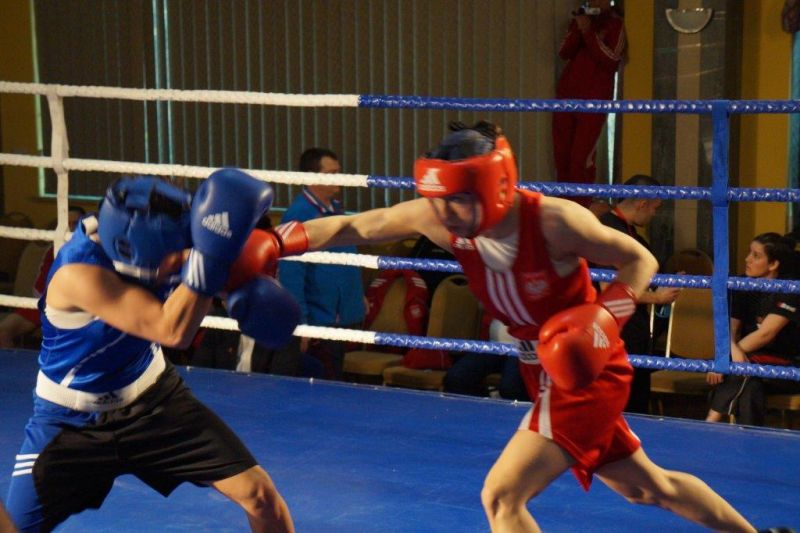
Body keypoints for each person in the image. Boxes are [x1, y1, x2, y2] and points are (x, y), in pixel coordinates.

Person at [244, 121, 758, 531]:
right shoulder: (440, 217)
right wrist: (279, 240)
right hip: (540, 368)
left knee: (501, 496)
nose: (444, 211)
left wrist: (604, 320)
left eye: (457, 199)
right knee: (647, 487)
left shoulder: (554, 221)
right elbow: (354, 225)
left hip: (586, 371)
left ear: (496, 186)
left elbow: (640, 259)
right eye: (438, 198)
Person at [5, 171, 299, 532]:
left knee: (259, 495)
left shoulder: (166, 235)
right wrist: (211, 259)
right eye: (170, 260)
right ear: (132, 253)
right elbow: (171, 330)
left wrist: (351, 226)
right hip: (70, 421)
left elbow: (305, 235)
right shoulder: (78, 273)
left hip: (155, 401)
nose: (178, 262)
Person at [276, 148, 365, 379]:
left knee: (337, 381)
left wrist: (358, 296)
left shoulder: (334, 209)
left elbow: (345, 260)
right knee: (324, 384)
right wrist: (301, 323)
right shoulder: (298, 215)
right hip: (321, 321)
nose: (339, 178)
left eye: (339, 172)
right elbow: (291, 275)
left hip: (340, 317)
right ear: (311, 176)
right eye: (331, 173)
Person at [595, 175, 681, 414]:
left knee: (636, 396)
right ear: (642, 203)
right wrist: (657, 298)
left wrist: (666, 282)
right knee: (625, 400)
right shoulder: (609, 230)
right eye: (654, 208)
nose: (654, 214)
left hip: (630, 327)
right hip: (617, 328)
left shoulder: (629, 232)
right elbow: (608, 287)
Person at [706, 232, 800, 426]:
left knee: (746, 368)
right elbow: (729, 329)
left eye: (756, 256)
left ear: (773, 264)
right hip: (750, 366)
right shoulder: (742, 284)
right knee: (751, 386)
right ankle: (747, 438)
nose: (747, 259)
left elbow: (765, 334)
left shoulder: (790, 289)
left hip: (787, 366)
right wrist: (726, 356)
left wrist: (726, 360)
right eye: (750, 253)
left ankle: (710, 422)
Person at [553, 0, 626, 207]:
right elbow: (564, 52)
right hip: (566, 98)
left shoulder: (615, 24)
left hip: (594, 101)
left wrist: (588, 32)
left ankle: (581, 207)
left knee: (581, 159)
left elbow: (612, 60)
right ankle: (563, 206)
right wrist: (580, 26)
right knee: (562, 156)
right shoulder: (580, 20)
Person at [0, 206, 86, 349]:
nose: (71, 228)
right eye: (67, 223)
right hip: (45, 305)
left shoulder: (94, 250)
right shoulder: (52, 251)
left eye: (75, 223)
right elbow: (39, 288)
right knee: (2, 331)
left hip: (81, 309)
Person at [443, 319, 529, 401]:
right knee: (456, 377)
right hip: (493, 346)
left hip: (523, 349)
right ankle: (481, 405)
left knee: (511, 387)